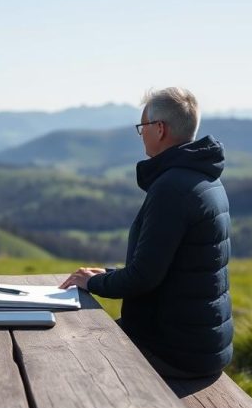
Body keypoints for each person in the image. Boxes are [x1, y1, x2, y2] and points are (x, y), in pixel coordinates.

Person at [60, 87, 233, 379]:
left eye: (142, 127)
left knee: (68, 354)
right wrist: (103, 274)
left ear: (160, 129)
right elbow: (169, 269)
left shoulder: (172, 188)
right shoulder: (205, 178)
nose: (141, 134)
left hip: (172, 350)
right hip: (201, 345)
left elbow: (144, 277)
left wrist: (94, 284)